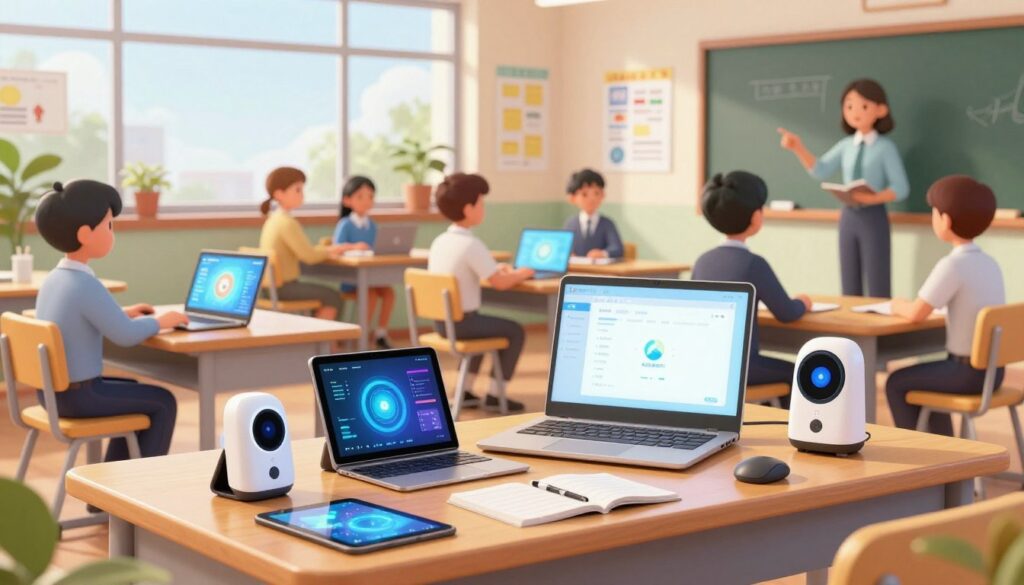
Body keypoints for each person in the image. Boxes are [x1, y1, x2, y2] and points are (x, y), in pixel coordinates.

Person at [34, 179, 189, 462]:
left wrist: (123, 312)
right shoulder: (83, 284)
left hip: (51, 393)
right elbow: (126, 335)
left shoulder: (55, 280)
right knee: (163, 402)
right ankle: (132, 495)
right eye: (108, 226)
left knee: (131, 389)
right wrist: (162, 321)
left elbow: (83, 317)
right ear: (84, 234)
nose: (111, 232)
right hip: (77, 397)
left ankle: (106, 496)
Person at [886, 175, 1004, 435]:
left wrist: (896, 305)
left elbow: (916, 313)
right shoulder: (990, 263)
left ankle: (922, 460)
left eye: (934, 213)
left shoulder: (952, 265)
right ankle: (946, 463)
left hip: (966, 374)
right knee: (931, 378)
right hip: (994, 374)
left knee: (896, 382)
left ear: (946, 220)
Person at [778, 78, 909, 298]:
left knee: (877, 280)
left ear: (881, 110)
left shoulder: (885, 148)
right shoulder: (846, 145)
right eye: (849, 106)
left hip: (873, 216)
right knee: (849, 281)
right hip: (848, 216)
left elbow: (901, 187)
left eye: (864, 106)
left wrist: (874, 198)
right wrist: (797, 148)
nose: (855, 112)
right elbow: (820, 170)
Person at [691, 171, 812, 407]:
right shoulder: (753, 264)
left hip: (704, 366)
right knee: (801, 371)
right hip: (743, 368)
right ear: (756, 217)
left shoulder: (702, 261)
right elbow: (786, 313)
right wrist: (803, 303)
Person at [428, 173, 534, 411]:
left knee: (482, 328)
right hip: (463, 325)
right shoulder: (470, 244)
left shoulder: (441, 241)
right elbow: (500, 284)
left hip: (443, 323)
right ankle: (496, 395)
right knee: (515, 330)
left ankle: (465, 391)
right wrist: (523, 273)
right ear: (468, 209)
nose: (484, 208)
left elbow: (478, 270)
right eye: (481, 203)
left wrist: (498, 269)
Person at [258, 166, 357, 321]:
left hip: (270, 288)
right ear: (279, 194)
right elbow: (309, 256)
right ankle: (327, 345)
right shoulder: (287, 222)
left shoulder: (273, 220)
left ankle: (322, 342)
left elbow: (305, 251)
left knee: (322, 297)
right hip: (284, 288)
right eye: (297, 190)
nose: (302, 195)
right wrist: (334, 249)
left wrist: (325, 249)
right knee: (333, 297)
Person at [333, 176, 395, 349]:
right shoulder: (345, 225)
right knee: (372, 295)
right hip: (351, 279)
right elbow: (336, 248)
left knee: (389, 293)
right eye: (360, 196)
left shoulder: (372, 226)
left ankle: (380, 334)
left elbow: (375, 249)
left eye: (370, 196)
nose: (367, 201)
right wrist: (353, 246)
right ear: (347, 200)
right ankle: (362, 335)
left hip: (371, 277)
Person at [562, 168, 624, 259]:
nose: (591, 199)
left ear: (602, 195)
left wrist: (603, 254)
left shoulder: (607, 224)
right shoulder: (570, 223)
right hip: (576, 269)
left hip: (599, 271)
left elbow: (617, 248)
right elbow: (563, 246)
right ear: (573, 198)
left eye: (596, 193)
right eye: (584, 194)